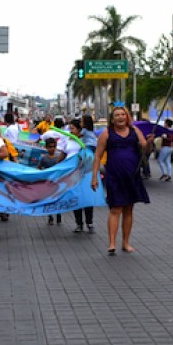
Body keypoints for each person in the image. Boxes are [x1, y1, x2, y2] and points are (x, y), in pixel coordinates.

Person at [90, 106, 150, 256]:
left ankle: (125, 242)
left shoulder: (135, 131)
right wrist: (94, 177)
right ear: (113, 118)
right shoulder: (106, 133)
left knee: (129, 209)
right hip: (114, 176)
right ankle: (111, 243)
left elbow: (146, 149)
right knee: (115, 209)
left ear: (127, 116)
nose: (120, 117)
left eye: (123, 114)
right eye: (117, 115)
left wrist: (149, 142)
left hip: (132, 175)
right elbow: (97, 155)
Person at [67, 119, 94, 233]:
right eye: (70, 128)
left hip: (85, 172)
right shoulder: (68, 139)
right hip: (72, 173)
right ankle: (79, 223)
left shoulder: (86, 141)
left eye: (72, 128)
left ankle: (89, 222)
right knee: (75, 198)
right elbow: (64, 153)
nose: (70, 130)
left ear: (79, 129)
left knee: (87, 198)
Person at [38, 137, 64, 226]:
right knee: (49, 199)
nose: (52, 149)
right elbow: (39, 168)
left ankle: (58, 214)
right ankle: (50, 216)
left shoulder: (59, 158)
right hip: (47, 183)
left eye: (53, 147)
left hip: (57, 182)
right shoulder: (44, 158)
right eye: (49, 147)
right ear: (46, 147)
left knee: (57, 199)